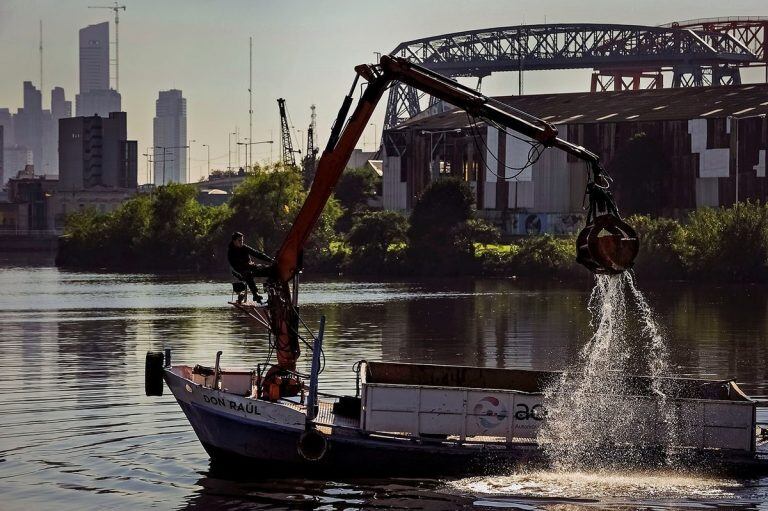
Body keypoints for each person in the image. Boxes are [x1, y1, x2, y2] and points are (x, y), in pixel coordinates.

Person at [227, 232, 274, 303]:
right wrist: (248, 265)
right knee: (247, 273)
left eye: (242, 240)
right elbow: (235, 266)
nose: (241, 242)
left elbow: (257, 254)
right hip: (238, 271)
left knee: (271, 269)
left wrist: (271, 260)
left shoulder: (244, 247)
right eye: (239, 240)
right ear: (234, 241)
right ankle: (255, 294)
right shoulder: (231, 252)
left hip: (250, 267)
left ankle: (271, 295)